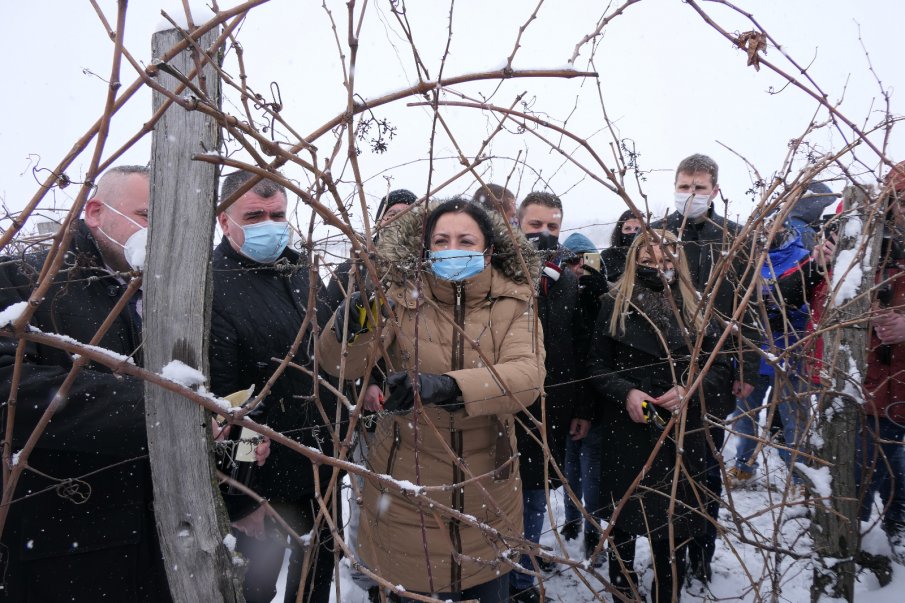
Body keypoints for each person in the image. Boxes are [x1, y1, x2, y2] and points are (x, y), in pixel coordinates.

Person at [318, 198, 545, 602]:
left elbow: (527, 378)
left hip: (486, 488)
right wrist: (347, 326)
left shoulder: (514, 301)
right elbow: (341, 366)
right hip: (407, 487)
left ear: (488, 250)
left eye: (465, 240)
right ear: (426, 249)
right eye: (441, 240)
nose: (452, 249)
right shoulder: (400, 295)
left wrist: (448, 386)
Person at [0, 166, 172, 601]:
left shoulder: (163, 293)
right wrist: (155, 409)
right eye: (147, 215)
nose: (158, 232)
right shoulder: (26, 280)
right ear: (95, 212)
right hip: (63, 544)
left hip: (159, 539)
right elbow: (8, 389)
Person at [209, 170, 338, 603]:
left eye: (277, 214)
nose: (269, 224)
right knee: (256, 586)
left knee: (317, 570)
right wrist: (243, 495)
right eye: (255, 215)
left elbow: (326, 349)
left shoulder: (300, 267)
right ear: (225, 221)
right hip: (261, 470)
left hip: (319, 457)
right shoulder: (211, 284)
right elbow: (225, 400)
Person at [587, 230, 734, 603]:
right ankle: (623, 585)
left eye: (667, 262)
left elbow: (718, 369)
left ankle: (668, 591)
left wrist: (690, 390)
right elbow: (596, 365)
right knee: (625, 519)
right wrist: (627, 392)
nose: (658, 269)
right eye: (648, 262)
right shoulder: (613, 303)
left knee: (674, 522)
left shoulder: (697, 307)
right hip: (628, 429)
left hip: (682, 431)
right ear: (635, 262)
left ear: (679, 264)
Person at [652, 153, 757, 583]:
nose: (689, 194)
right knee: (661, 466)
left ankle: (701, 548)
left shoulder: (732, 238)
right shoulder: (657, 233)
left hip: (712, 366)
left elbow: (749, 308)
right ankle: (668, 550)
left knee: (703, 467)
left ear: (714, 190)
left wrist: (746, 368)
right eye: (683, 186)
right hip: (661, 363)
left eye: (698, 187)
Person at [513, 191, 586, 601]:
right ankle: (495, 573)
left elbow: (575, 346)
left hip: (550, 406)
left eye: (552, 227)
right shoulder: (497, 273)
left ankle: (522, 577)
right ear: (519, 225)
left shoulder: (568, 282)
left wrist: (579, 407)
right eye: (534, 226)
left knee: (535, 494)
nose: (543, 234)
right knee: (502, 493)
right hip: (504, 402)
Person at [860, 161, 905, 564]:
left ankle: (899, 526)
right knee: (861, 464)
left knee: (898, 465)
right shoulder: (868, 243)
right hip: (867, 379)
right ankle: (854, 532)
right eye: (901, 199)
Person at [558, 232, 607, 561]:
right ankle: (572, 520)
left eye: (585, 261)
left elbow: (600, 355)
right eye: (570, 261)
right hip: (565, 398)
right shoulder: (557, 298)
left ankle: (593, 530)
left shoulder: (603, 300)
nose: (578, 267)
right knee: (569, 468)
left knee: (593, 472)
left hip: (596, 402)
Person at [324, 188, 418, 313]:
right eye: (392, 215)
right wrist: (341, 318)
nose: (399, 221)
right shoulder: (349, 270)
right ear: (379, 223)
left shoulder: (427, 270)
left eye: (408, 216)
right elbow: (325, 322)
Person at [600, 209, 642, 283]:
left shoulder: (649, 255)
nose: (632, 232)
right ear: (620, 231)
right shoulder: (607, 256)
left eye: (637, 229)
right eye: (627, 228)